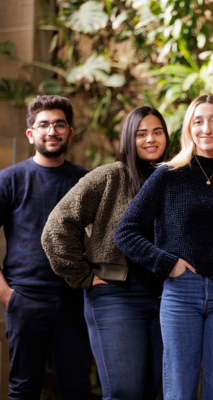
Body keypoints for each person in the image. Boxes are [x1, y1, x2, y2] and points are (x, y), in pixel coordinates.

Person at [114, 95, 213, 400]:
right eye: (198, 121)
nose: (206, 128)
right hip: (181, 292)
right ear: (188, 128)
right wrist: (168, 262)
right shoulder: (168, 174)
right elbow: (126, 232)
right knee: (179, 389)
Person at [41, 106, 170, 399]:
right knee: (125, 391)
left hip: (166, 295)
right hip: (116, 295)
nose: (151, 139)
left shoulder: (172, 177)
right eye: (141, 133)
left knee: (155, 391)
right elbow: (57, 226)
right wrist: (83, 275)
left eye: (157, 131)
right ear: (128, 139)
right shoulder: (110, 176)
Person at [0, 95, 91, 399]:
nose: (52, 131)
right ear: (31, 134)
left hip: (75, 302)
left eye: (59, 124)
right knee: (23, 389)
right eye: (44, 125)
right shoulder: (10, 180)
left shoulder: (84, 181)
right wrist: (5, 294)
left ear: (70, 132)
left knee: (76, 389)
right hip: (24, 299)